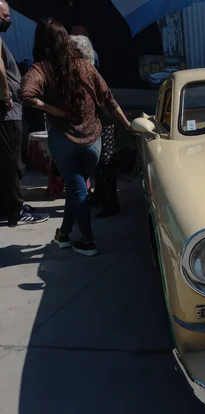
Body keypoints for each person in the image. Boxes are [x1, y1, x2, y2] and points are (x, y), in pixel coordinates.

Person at [19, 18, 131, 256]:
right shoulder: (85, 66)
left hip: (64, 141)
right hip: (93, 140)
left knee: (76, 188)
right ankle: (64, 233)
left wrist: (53, 109)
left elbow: (26, 94)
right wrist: (128, 125)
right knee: (77, 187)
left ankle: (88, 242)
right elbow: (110, 100)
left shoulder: (40, 69)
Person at [0, 0, 49, 227]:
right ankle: (16, 210)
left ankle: (9, 206)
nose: (8, 20)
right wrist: (6, 95)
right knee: (13, 163)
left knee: (9, 161)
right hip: (8, 112)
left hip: (11, 110)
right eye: (4, 16)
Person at [71, 34, 120, 218]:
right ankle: (100, 197)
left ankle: (111, 204)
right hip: (94, 124)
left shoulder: (90, 73)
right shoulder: (80, 72)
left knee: (106, 163)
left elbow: (107, 103)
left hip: (103, 124)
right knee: (98, 164)